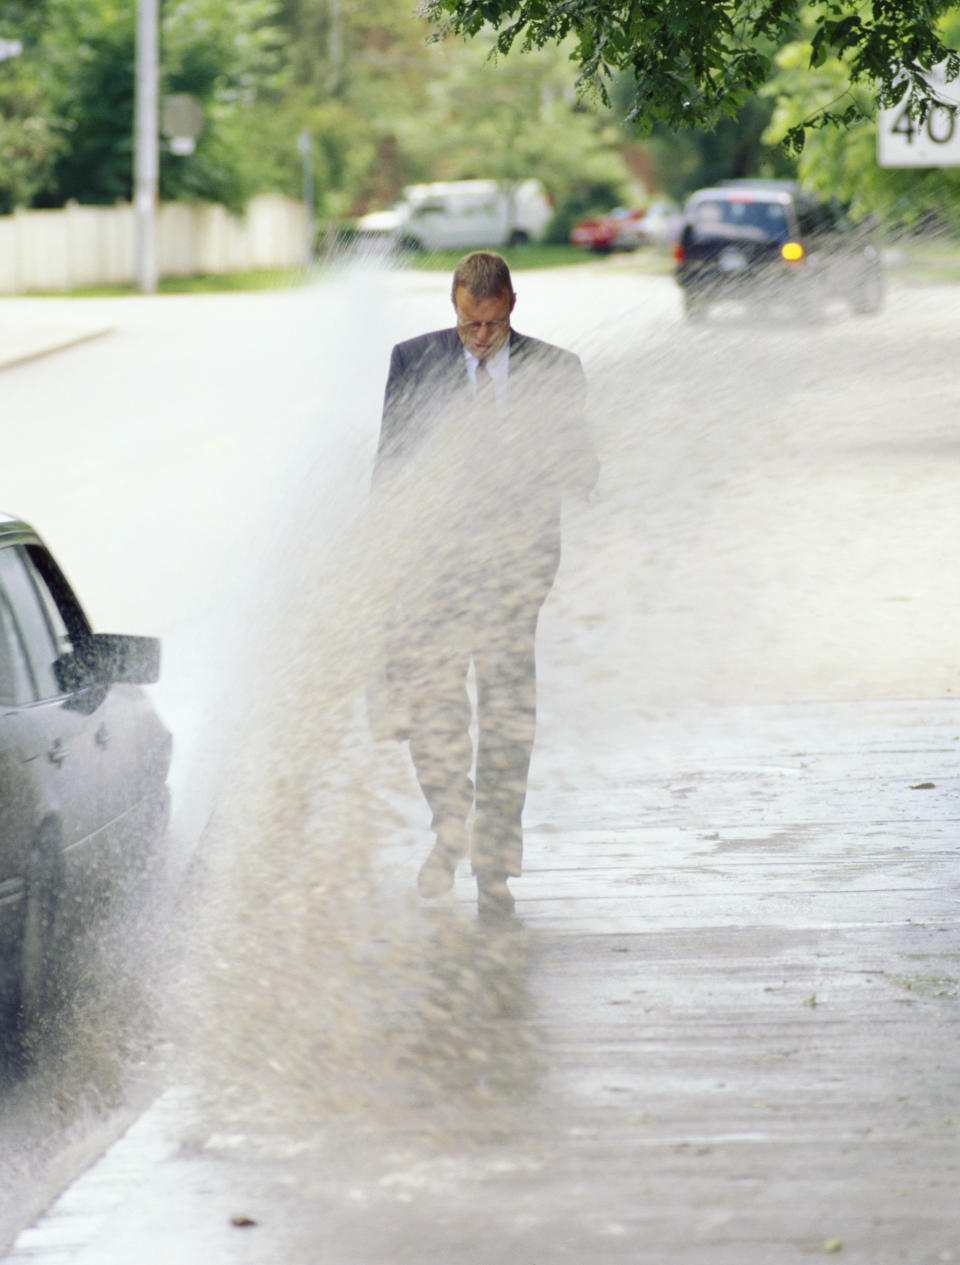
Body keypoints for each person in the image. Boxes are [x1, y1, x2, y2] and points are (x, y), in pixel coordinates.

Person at [371, 251, 597, 918]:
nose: (481, 339)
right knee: (435, 711)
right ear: (454, 308)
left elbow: (583, 464)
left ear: (511, 308)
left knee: (506, 717)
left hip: (515, 571)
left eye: (492, 325)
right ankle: (451, 826)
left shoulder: (556, 369)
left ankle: (495, 863)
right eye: (471, 325)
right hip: (431, 572)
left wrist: (558, 460)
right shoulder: (413, 361)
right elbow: (392, 468)